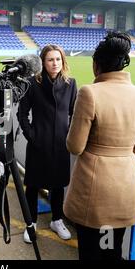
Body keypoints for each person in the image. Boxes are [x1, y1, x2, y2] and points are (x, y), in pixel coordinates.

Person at [64, 31, 135, 260]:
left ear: (97, 65)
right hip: (125, 186)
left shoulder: (89, 93)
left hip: (94, 192)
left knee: (91, 252)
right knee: (111, 249)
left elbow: (75, 146)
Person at [18, 44, 77, 243]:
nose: (55, 63)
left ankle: (57, 220)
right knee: (32, 186)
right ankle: (31, 222)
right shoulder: (32, 83)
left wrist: (68, 136)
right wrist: (31, 136)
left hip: (61, 145)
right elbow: (22, 114)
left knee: (58, 185)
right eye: (50, 59)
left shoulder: (71, 84)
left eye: (58, 59)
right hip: (38, 143)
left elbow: (74, 114)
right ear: (43, 62)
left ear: (63, 61)